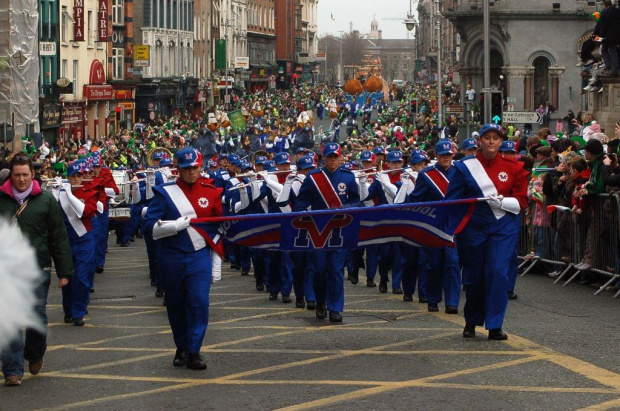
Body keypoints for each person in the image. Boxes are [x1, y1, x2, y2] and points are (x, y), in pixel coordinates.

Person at [142, 148, 223, 370]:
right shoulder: (165, 193)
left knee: (199, 302)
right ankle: (181, 346)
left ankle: (195, 351)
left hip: (199, 256)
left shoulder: (212, 192)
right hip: (171, 256)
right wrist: (172, 226)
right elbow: (148, 226)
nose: (190, 172)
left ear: (201, 167)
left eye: (194, 168)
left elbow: (219, 228)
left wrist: (217, 260)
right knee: (176, 304)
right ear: (178, 169)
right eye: (186, 168)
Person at [446, 123, 528, 340]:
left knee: (497, 273)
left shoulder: (514, 167)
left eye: (495, 138)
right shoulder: (464, 167)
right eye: (487, 138)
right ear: (479, 141)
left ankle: (494, 324)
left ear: (501, 141)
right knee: (474, 276)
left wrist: (504, 201)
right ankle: (471, 321)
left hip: (503, 227)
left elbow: (522, 201)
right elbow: (452, 200)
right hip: (474, 228)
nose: (491, 142)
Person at [0, 154, 74, 386]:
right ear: (10, 176)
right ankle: (12, 370)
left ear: (33, 175)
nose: (21, 179)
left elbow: (58, 237)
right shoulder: (1, 199)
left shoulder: (46, 200)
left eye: (25, 174)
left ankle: (34, 353)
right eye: (16, 175)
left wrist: (64, 271)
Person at [293, 142, 360, 322]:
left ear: (340, 158)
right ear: (323, 158)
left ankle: (335, 308)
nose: (332, 160)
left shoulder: (348, 178)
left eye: (335, 157)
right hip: (318, 232)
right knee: (320, 270)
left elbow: (357, 202)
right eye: (329, 157)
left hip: (339, 231)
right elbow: (300, 203)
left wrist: (346, 208)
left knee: (336, 271)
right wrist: (305, 217)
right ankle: (320, 302)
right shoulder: (313, 178)